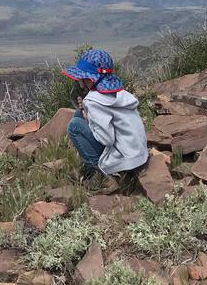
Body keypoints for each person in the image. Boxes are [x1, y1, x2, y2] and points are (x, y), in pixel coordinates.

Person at [63, 48, 148, 193]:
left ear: (88, 78)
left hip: (125, 160)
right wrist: (86, 114)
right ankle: (91, 170)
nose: (78, 81)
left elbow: (106, 139)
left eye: (80, 77)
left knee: (74, 126)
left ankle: (100, 176)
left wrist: (89, 117)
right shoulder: (120, 92)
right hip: (137, 152)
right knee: (79, 114)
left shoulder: (93, 101)